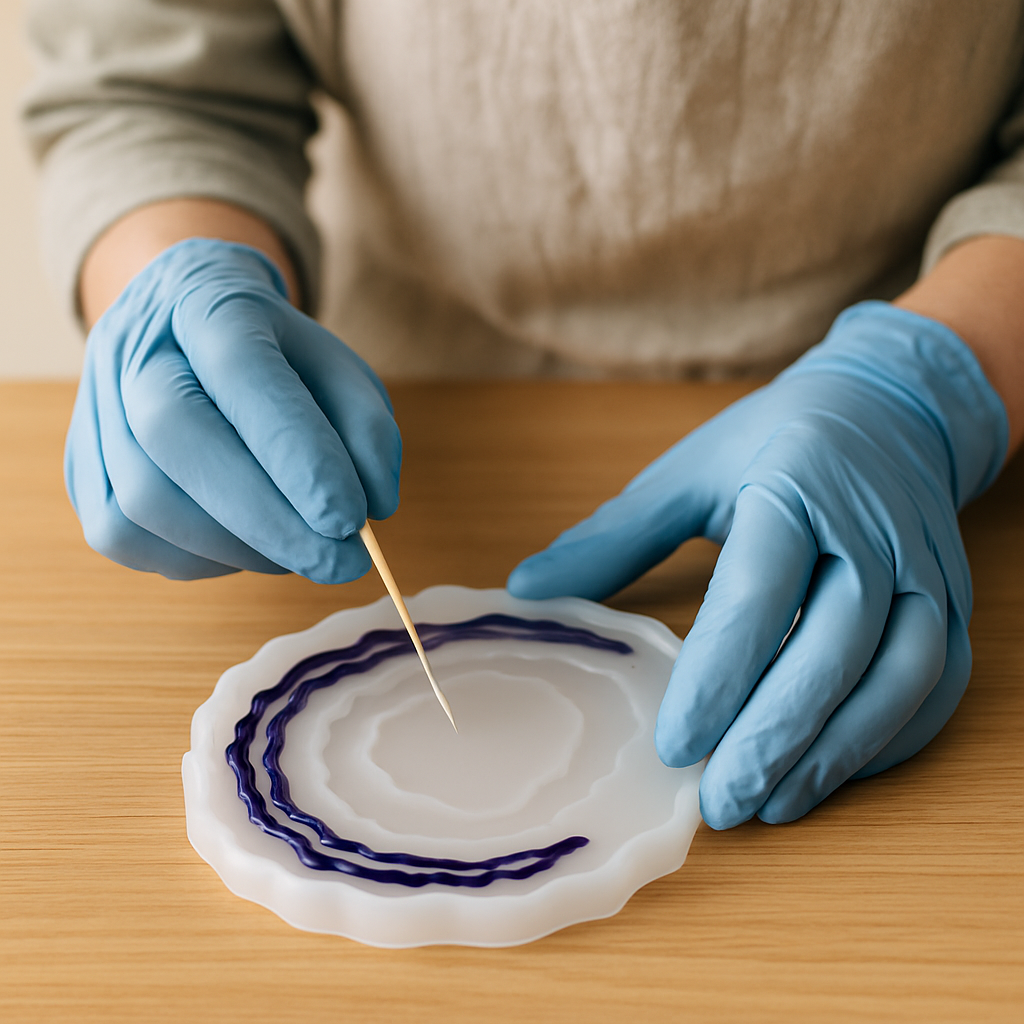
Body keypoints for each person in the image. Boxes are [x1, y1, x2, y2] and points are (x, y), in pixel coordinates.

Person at [22, 1, 1024, 829]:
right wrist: (173, 283)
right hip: (412, 415)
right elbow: (153, 91)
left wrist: (927, 382)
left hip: (919, 450)